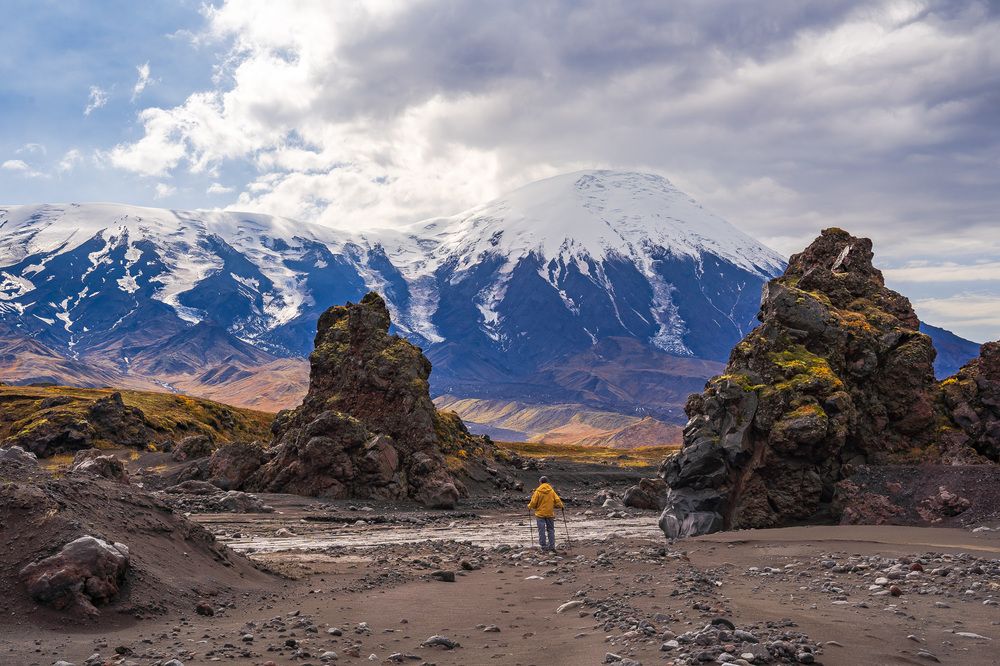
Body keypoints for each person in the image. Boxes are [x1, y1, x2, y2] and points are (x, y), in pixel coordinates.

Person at [528, 476, 564, 551]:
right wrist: (561, 506)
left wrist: (529, 506)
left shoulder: (537, 491)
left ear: (540, 482)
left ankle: (543, 546)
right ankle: (552, 546)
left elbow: (533, 503)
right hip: (550, 514)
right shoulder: (551, 491)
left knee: (541, 530)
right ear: (547, 482)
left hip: (540, 514)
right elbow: (557, 500)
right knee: (551, 530)